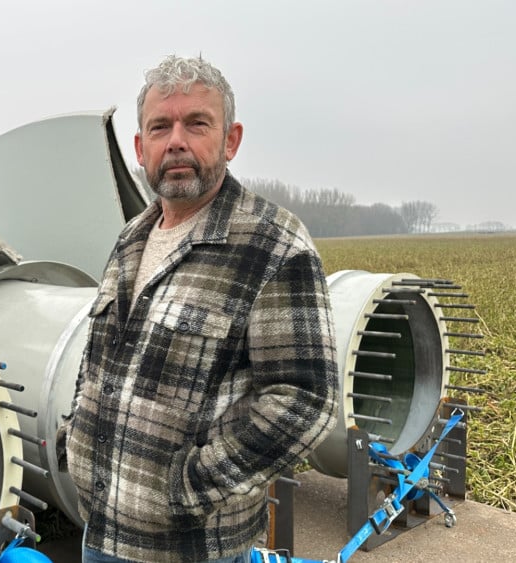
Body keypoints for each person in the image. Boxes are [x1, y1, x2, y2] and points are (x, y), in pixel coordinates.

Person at [57, 55, 339, 563]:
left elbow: (304, 399)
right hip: (98, 529)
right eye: (160, 127)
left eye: (197, 123)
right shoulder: (132, 239)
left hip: (191, 547)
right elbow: (99, 360)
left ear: (230, 140)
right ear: (141, 150)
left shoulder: (273, 246)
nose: (177, 141)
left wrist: (190, 487)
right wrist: (73, 436)